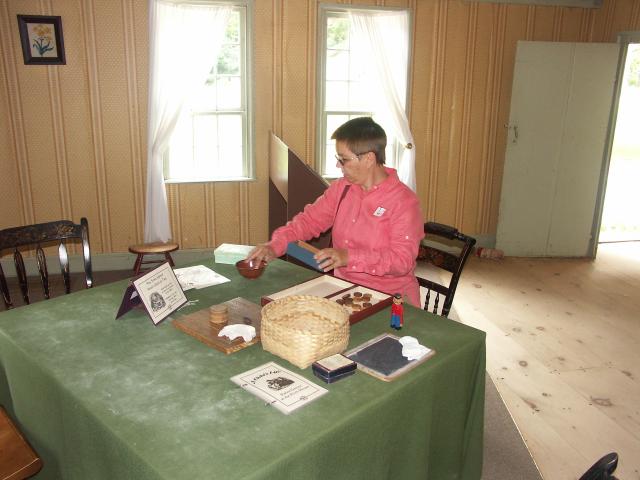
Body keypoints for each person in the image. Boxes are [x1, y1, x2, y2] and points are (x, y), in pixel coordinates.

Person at [247, 117, 424, 306]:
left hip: (391, 300)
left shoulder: (404, 201)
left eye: (343, 159)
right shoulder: (342, 188)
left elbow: (401, 260)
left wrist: (348, 257)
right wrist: (274, 245)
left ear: (369, 159)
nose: (338, 165)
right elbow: (307, 222)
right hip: (344, 291)